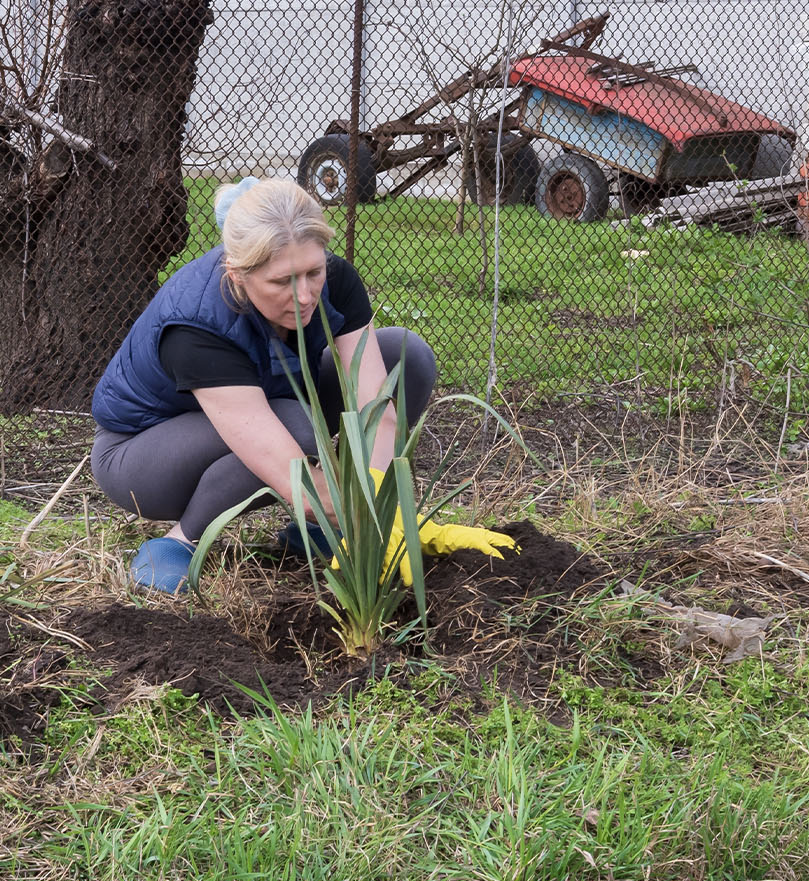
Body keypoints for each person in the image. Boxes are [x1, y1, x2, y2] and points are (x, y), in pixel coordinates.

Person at [89, 177, 513, 593]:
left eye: (314, 272)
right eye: (281, 282)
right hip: (143, 456)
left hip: (270, 402)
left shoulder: (337, 279)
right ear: (237, 274)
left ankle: (320, 531)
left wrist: (386, 506)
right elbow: (290, 470)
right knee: (296, 426)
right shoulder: (196, 324)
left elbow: (376, 408)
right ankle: (181, 541)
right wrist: (369, 524)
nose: (305, 295)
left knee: (405, 357)